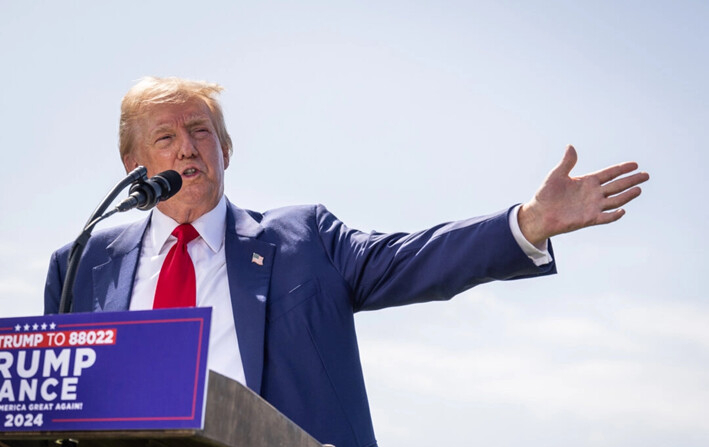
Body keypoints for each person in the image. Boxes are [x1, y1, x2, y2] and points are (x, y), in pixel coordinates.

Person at [44, 77, 649, 447]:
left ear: (225, 149)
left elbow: (411, 259)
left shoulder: (302, 238)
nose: (187, 147)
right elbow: (60, 398)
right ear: (133, 165)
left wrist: (528, 222)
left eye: (200, 132)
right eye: (165, 137)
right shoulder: (81, 261)